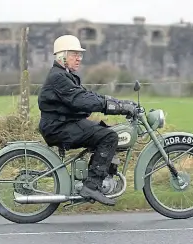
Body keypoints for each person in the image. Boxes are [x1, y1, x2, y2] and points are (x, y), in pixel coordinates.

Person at [37, 35, 137, 206]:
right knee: (109, 137)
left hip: (64, 124)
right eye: (74, 54)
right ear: (62, 56)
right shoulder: (59, 78)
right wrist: (113, 107)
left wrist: (119, 103)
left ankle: (95, 177)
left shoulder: (65, 75)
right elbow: (81, 100)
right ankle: (92, 186)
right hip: (59, 127)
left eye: (80, 55)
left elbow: (87, 95)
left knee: (107, 131)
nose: (79, 59)